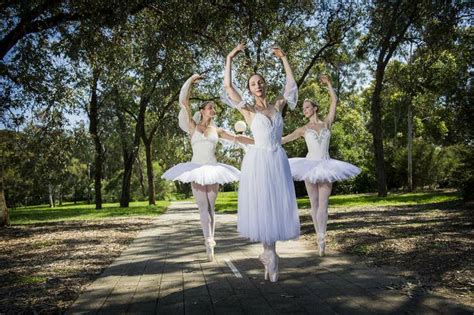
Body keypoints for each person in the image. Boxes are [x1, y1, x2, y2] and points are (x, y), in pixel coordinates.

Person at [222, 44, 300, 282]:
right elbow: (228, 86)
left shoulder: (277, 104)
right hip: (259, 161)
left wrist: (284, 58)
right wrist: (229, 57)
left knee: (276, 204)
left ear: (265, 84)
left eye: (260, 81)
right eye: (253, 83)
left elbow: (291, 85)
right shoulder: (247, 109)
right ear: (250, 89)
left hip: (277, 159)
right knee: (264, 203)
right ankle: (270, 253)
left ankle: (270, 253)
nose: (257, 85)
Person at [162, 74, 253, 261]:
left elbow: (236, 138)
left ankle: (212, 239)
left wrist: (259, 140)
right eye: (210, 107)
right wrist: (190, 81)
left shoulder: (217, 131)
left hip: (212, 169)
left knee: (211, 207)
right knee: (202, 206)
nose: (213, 109)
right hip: (195, 168)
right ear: (202, 110)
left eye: (214, 108)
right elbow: (183, 102)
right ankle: (208, 241)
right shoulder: (192, 126)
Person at [282, 74, 361, 256]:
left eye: (307, 107)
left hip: (326, 165)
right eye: (303, 108)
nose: (305, 110)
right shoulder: (303, 129)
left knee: (323, 205)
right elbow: (284, 139)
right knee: (314, 204)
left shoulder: (326, 123)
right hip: (309, 166)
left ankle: (322, 239)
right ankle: (319, 236)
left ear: (315, 108)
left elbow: (334, 101)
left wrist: (329, 84)